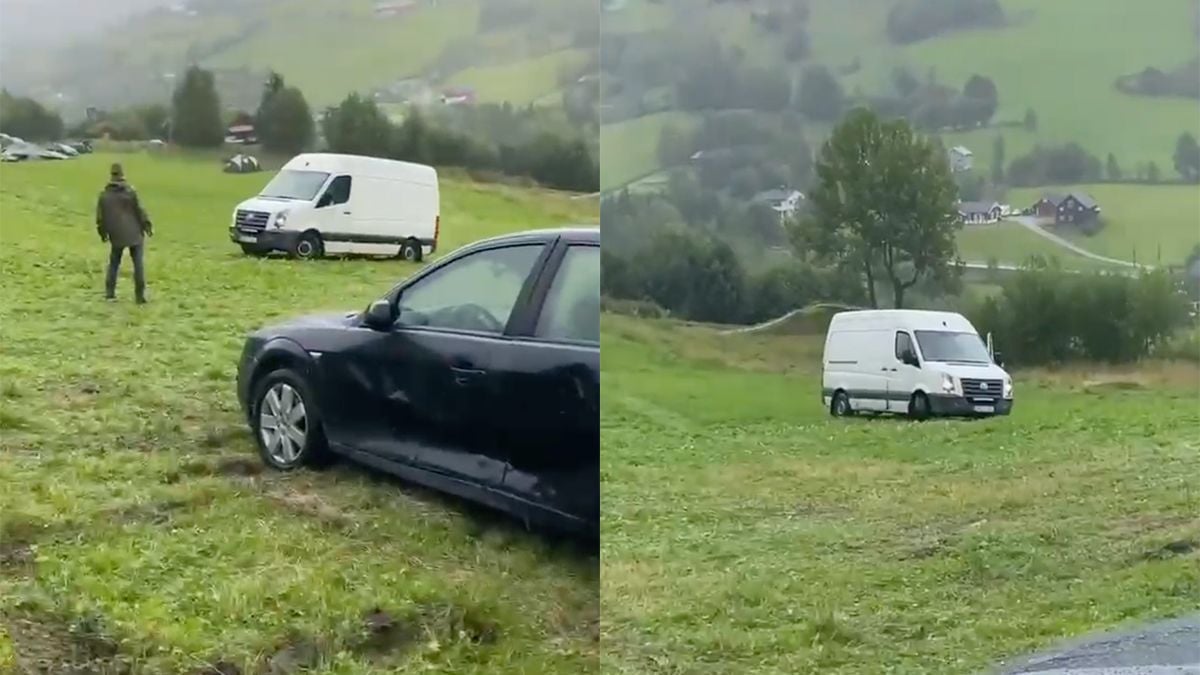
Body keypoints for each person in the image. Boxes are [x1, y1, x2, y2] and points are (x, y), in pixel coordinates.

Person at [96, 163, 153, 303]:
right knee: (138, 264)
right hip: (135, 233)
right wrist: (147, 225)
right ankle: (140, 296)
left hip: (116, 235)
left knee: (114, 264)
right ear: (122, 175)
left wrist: (103, 234)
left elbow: (100, 219)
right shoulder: (130, 192)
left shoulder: (104, 195)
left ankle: (110, 294)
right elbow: (139, 211)